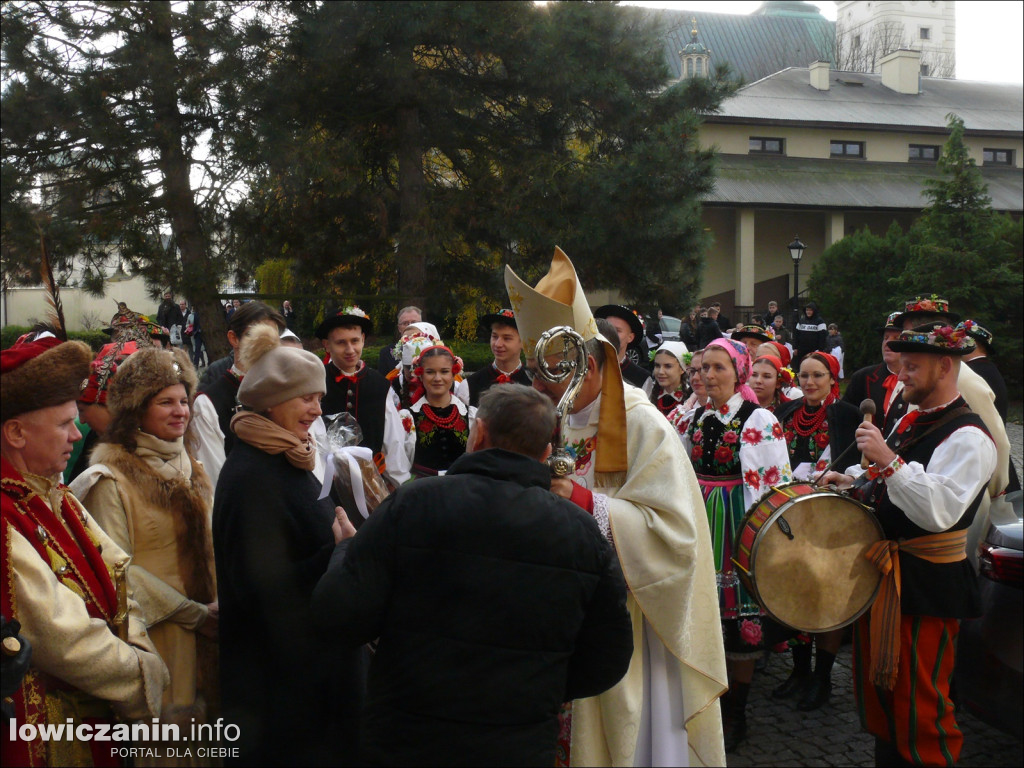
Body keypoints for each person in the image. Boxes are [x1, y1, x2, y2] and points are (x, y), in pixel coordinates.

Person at [312, 385, 633, 766]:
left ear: (477, 433)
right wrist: (543, 686)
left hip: (408, 737)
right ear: (547, 453)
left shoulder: (414, 504)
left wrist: (348, 549)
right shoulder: (580, 532)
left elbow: (338, 615)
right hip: (518, 741)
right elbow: (609, 655)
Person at [506, 248, 726, 767]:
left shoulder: (642, 423)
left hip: (629, 620)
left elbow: (674, 537)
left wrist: (584, 502)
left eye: (553, 371)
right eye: (538, 372)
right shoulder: (557, 417)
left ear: (590, 360)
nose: (540, 385)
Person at [821, 323, 996, 767]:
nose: (901, 375)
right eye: (900, 365)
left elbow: (939, 510)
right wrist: (856, 481)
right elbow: (895, 481)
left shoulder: (970, 437)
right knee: (884, 702)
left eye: (913, 366)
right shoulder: (909, 419)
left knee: (921, 709)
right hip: (888, 578)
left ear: (945, 366)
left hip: (927, 586)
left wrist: (886, 459)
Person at [1, 331, 168, 766]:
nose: (77, 435)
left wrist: (136, 641)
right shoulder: (5, 513)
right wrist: (143, 676)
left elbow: (118, 572)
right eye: (62, 424)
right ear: (16, 432)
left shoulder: (53, 493)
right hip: (56, 729)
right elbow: (63, 638)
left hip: (96, 715)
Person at [212, 324, 363, 766]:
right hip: (278, 688)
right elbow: (258, 591)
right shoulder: (251, 477)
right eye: (305, 397)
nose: (317, 410)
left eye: (319, 397)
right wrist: (333, 554)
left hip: (306, 674)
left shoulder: (285, 454)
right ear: (271, 401)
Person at [71, 346, 218, 743]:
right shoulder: (108, 479)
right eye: (165, 402)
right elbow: (114, 573)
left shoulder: (197, 470)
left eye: (184, 400)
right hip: (158, 641)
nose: (180, 411)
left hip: (213, 636)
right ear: (137, 410)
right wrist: (194, 614)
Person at [674, 338, 792, 752]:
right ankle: (704, 698)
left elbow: (772, 488)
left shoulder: (757, 418)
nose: (708, 375)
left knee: (738, 618)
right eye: (704, 367)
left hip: (736, 522)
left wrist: (757, 541)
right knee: (702, 613)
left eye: (718, 368)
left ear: (739, 372)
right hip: (698, 516)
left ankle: (736, 711)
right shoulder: (694, 415)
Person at [770, 352, 861, 711]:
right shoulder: (788, 414)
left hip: (830, 517)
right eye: (804, 376)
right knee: (793, 590)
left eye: (817, 376)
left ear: (832, 379)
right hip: (791, 515)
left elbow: (859, 463)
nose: (809, 382)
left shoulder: (848, 415)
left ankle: (822, 677)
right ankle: (799, 670)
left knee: (825, 595)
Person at [192, 301, 287, 489]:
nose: (267, 346)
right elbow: (215, 479)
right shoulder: (208, 403)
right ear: (233, 338)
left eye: (273, 339)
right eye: (256, 337)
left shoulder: (286, 393)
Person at [317, 305, 410, 486]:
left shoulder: (379, 385)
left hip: (370, 480)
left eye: (355, 341)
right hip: (325, 481)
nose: (350, 349)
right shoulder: (316, 381)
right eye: (341, 342)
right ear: (327, 345)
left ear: (363, 339)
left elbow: (393, 440)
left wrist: (397, 482)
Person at [399, 345, 476, 478]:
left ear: (453, 373)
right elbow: (401, 465)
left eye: (444, 371)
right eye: (430, 372)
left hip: (462, 490)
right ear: (420, 375)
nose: (437, 378)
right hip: (423, 491)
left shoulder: (471, 416)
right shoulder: (407, 418)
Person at [455, 308, 530, 406]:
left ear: (523, 342)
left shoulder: (535, 383)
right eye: (495, 337)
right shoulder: (470, 385)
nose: (498, 344)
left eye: (507, 338)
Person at [842, 310, 904, 427]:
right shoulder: (861, 378)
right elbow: (844, 419)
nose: (888, 343)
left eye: (896, 338)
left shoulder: (919, 379)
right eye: (885, 338)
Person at [594, 304, 652, 388]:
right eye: (606, 328)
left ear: (630, 337)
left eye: (617, 330)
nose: (609, 334)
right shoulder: (587, 367)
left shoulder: (641, 378)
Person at [377, 305, 422, 375]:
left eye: (414, 322)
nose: (410, 326)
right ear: (399, 328)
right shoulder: (386, 353)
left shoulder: (432, 348)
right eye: (405, 323)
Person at [649, 341, 690, 418]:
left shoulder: (691, 397)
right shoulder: (648, 393)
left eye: (668, 366)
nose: (661, 372)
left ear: (682, 369)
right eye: (657, 365)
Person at [793, 301, 828, 370]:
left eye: (810, 310)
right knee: (801, 367)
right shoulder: (801, 321)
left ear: (814, 311)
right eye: (807, 310)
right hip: (801, 349)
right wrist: (795, 347)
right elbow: (796, 335)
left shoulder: (820, 321)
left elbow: (822, 337)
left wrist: (820, 349)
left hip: (814, 350)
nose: (808, 312)